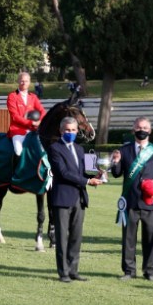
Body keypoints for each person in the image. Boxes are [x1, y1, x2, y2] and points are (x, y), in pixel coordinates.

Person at [110, 117, 153, 282]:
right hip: (130, 202)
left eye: (144, 128)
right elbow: (116, 174)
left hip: (151, 203)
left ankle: (150, 272)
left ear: (150, 131)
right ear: (133, 130)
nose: (141, 130)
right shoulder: (124, 150)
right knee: (129, 239)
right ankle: (129, 271)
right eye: (138, 128)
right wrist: (115, 162)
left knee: (151, 239)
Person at [47, 117, 103, 283]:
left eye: (73, 130)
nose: (70, 133)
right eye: (67, 130)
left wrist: (94, 177)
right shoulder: (54, 149)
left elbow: (80, 174)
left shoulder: (79, 149)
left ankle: (73, 271)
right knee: (62, 237)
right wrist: (87, 181)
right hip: (62, 198)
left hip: (79, 198)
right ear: (61, 131)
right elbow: (63, 173)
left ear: (77, 131)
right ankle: (63, 273)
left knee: (76, 237)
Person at [7, 72, 46, 158]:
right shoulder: (12, 96)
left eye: (26, 81)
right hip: (18, 130)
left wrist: (40, 122)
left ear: (29, 82)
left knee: (43, 148)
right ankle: (15, 170)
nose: (24, 83)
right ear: (18, 81)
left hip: (33, 130)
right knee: (18, 151)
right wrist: (31, 123)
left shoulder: (33, 96)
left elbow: (43, 111)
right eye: (22, 81)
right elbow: (15, 116)